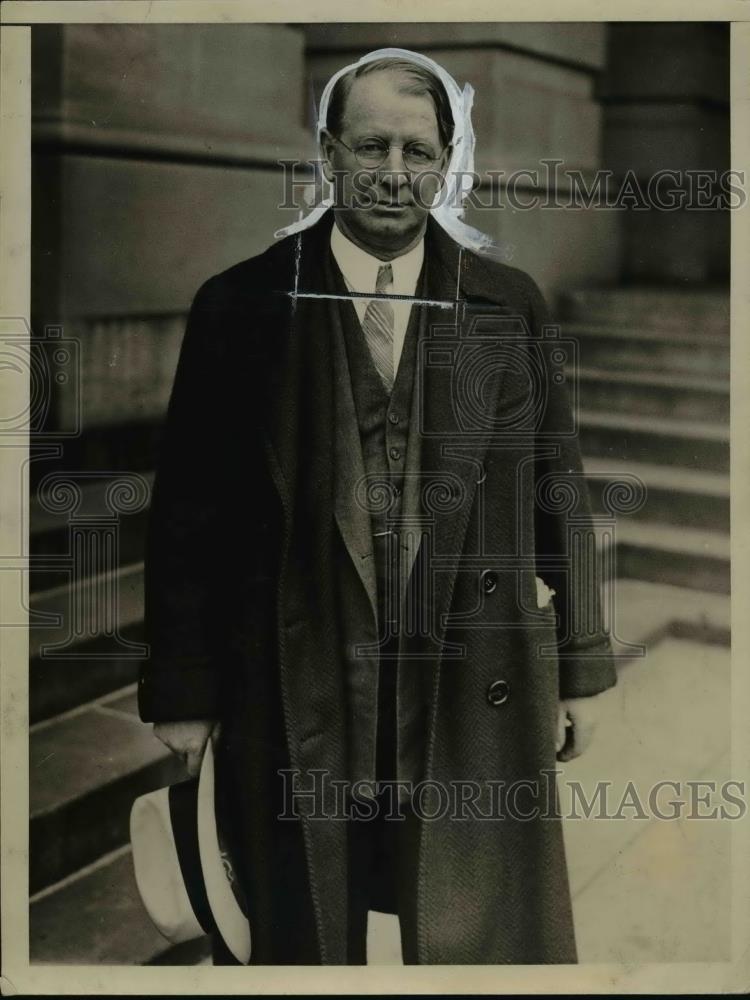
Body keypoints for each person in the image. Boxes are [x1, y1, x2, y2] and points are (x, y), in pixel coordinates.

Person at [137, 49, 616, 965]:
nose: (396, 173)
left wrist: (582, 664)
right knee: (306, 925)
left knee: (480, 929)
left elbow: (558, 484)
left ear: (446, 160)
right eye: (371, 147)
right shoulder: (239, 306)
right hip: (297, 668)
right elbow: (186, 515)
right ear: (328, 153)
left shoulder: (509, 305)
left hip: (468, 667)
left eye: (419, 150)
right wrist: (184, 691)